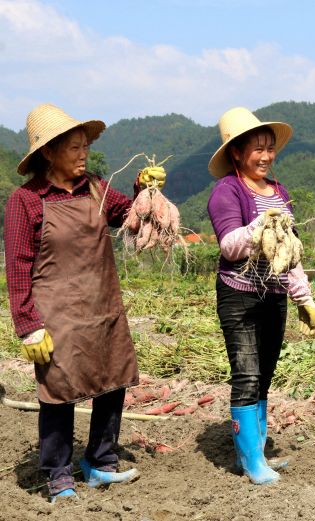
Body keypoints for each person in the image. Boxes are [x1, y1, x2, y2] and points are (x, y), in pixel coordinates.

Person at [4, 104, 165, 502]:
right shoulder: (26, 200)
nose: (82, 154)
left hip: (102, 304)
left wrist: (144, 191)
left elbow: (128, 216)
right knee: (58, 391)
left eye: (84, 147)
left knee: (113, 381)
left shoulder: (94, 187)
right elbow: (18, 266)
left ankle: (100, 461)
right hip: (56, 314)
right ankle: (57, 473)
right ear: (48, 152)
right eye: (73, 148)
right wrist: (27, 323)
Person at [207, 107, 315, 485]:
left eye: (270, 148)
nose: (266, 155)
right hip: (238, 297)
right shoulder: (228, 190)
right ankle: (252, 461)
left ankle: (257, 452)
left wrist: (304, 298)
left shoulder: (279, 192)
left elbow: (290, 254)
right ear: (237, 152)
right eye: (257, 148)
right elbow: (229, 246)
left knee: (264, 376)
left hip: (274, 297)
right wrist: (260, 225)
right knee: (247, 374)